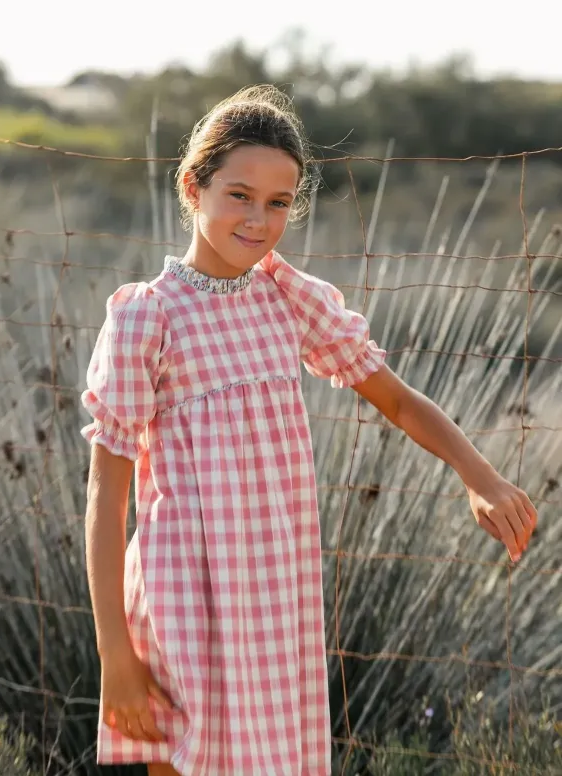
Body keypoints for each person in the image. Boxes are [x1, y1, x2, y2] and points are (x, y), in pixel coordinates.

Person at [80, 85, 538, 776]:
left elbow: (399, 401)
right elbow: (106, 494)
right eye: (238, 194)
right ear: (192, 187)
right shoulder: (150, 317)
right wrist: (115, 652)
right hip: (184, 597)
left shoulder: (288, 299)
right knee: (185, 760)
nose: (258, 219)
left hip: (276, 596)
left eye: (277, 202)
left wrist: (480, 475)